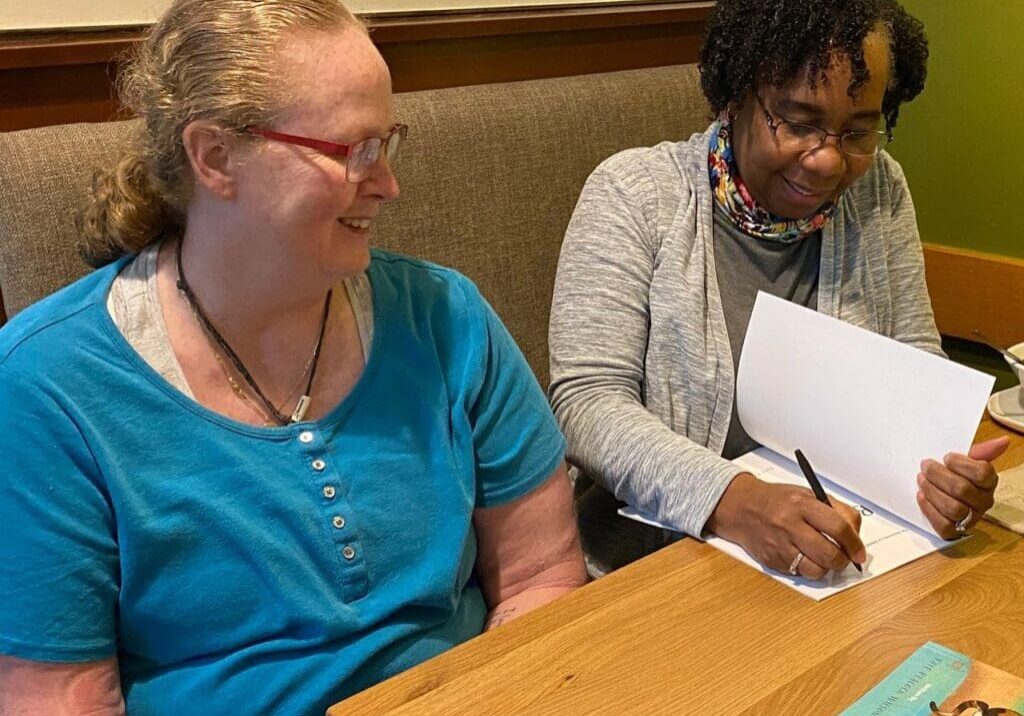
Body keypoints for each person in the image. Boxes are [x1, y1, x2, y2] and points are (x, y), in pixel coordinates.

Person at [0, 1, 587, 713]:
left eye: (387, 143)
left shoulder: (446, 318)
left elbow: (540, 578)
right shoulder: (45, 389)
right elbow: (61, 698)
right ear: (215, 156)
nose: (388, 184)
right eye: (351, 151)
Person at [549, 0, 1005, 579]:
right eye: (797, 123)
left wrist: (942, 473)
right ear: (734, 94)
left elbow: (913, 357)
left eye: (858, 130)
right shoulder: (634, 196)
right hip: (649, 568)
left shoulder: (879, 192)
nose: (826, 160)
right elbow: (587, 402)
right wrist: (736, 501)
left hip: (830, 568)